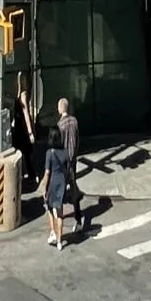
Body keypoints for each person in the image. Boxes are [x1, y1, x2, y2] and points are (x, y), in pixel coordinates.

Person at [56, 94, 85, 237]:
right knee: (73, 188)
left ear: (60, 109)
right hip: (73, 161)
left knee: (60, 189)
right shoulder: (74, 121)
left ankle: (58, 218)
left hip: (63, 162)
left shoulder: (60, 126)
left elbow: (59, 145)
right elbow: (77, 139)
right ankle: (78, 219)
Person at [12, 76, 40, 195]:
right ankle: (28, 175)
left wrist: (30, 132)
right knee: (23, 153)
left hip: (22, 129)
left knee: (26, 154)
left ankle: (32, 176)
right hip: (18, 128)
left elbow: (26, 114)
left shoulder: (22, 96)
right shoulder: (19, 94)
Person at [42, 134, 70, 249]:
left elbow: (47, 173)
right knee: (60, 212)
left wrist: (44, 187)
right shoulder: (65, 152)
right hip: (62, 183)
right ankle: (59, 241)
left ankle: (53, 232)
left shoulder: (50, 153)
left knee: (49, 207)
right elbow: (68, 169)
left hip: (52, 184)